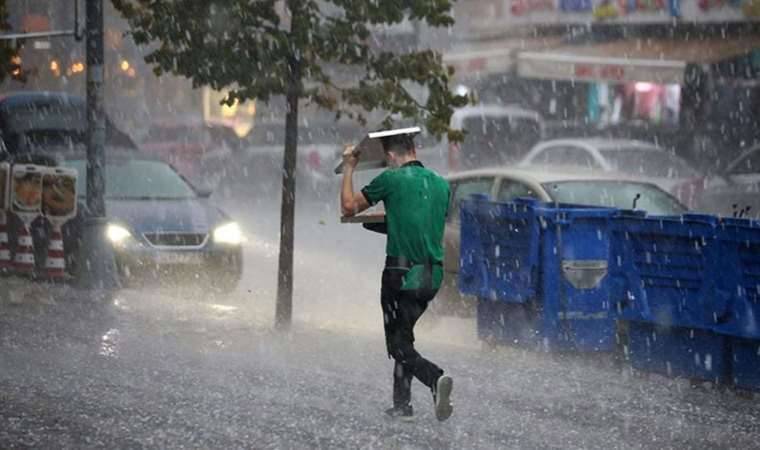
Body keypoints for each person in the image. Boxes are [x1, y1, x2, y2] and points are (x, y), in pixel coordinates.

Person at [340, 130, 453, 421]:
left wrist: (350, 168)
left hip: (401, 274)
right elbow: (422, 224)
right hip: (432, 276)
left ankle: (434, 378)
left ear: (391, 156)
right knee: (404, 336)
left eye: (388, 160)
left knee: (398, 344)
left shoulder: (391, 179)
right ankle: (402, 405)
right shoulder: (442, 185)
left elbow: (349, 207)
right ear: (414, 149)